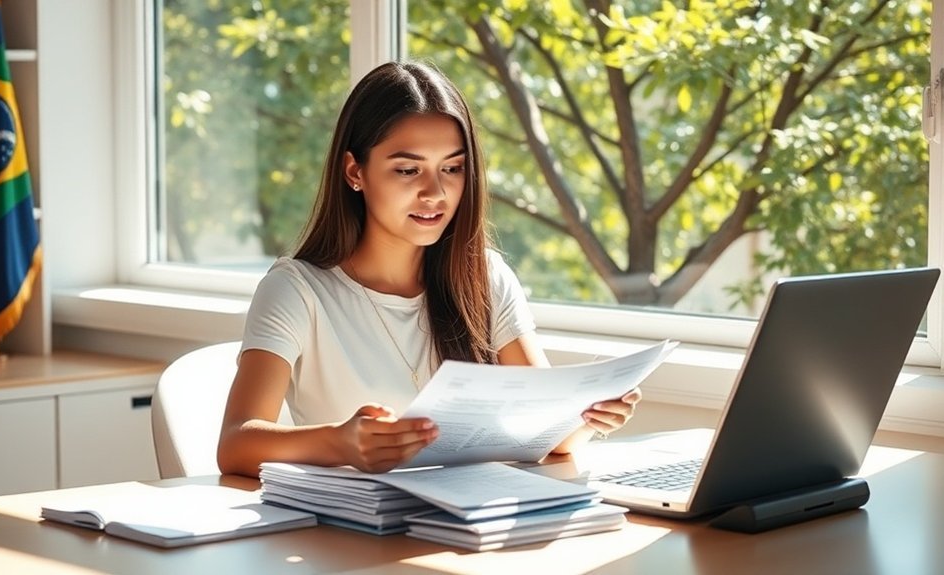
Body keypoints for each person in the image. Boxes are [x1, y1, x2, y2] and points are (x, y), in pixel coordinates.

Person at [217, 61, 641, 478]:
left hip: (471, 527)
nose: (435, 193)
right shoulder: (297, 289)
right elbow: (236, 444)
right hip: (353, 535)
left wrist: (587, 416)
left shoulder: (485, 277)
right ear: (354, 172)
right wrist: (339, 442)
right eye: (407, 170)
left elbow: (550, 434)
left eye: (452, 169)